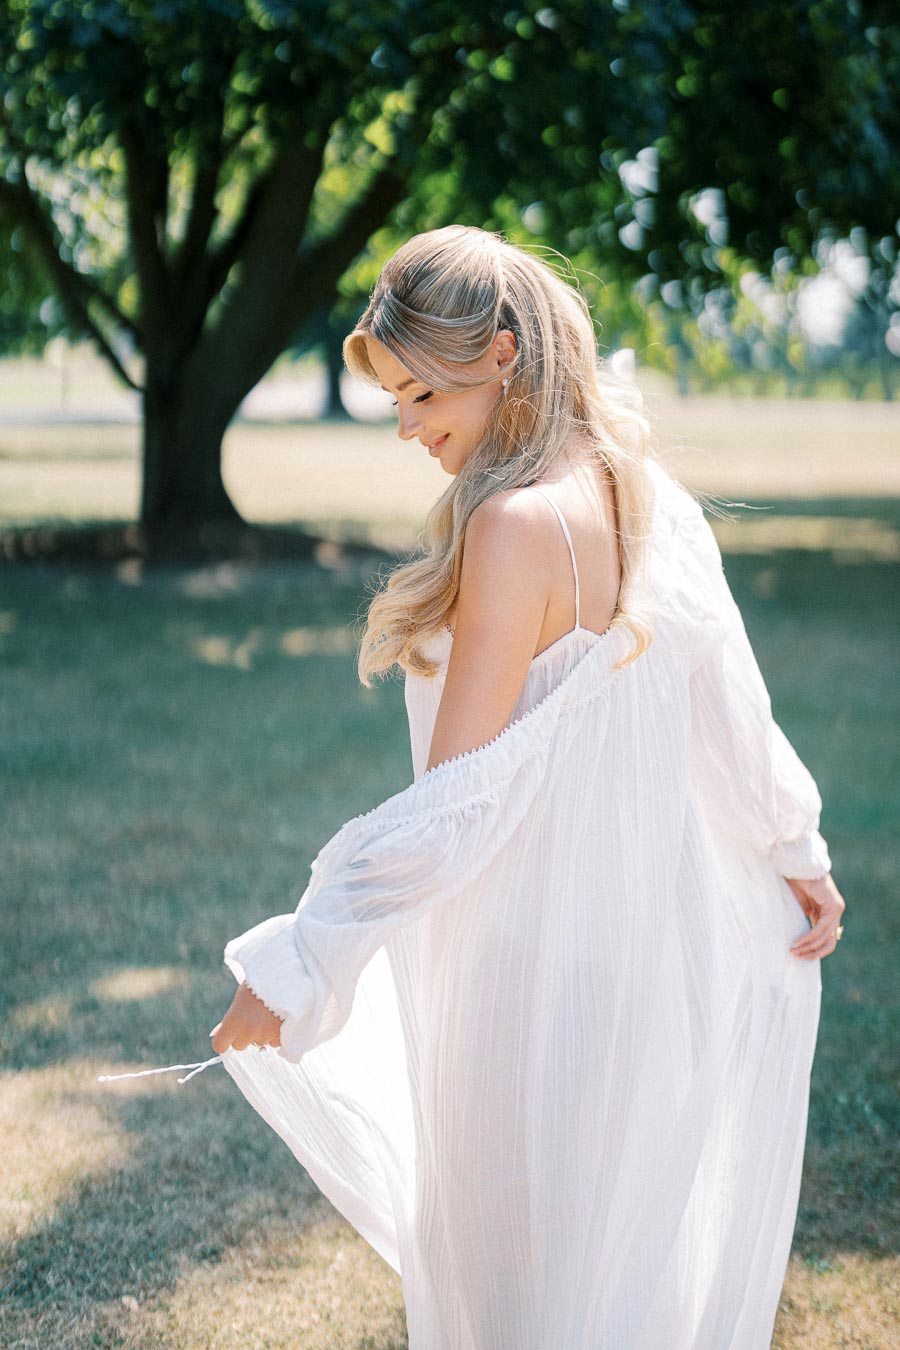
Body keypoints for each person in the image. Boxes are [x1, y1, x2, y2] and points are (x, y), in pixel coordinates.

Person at [208, 225, 846, 1348]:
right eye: (394, 400)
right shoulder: (641, 494)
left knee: (514, 1307)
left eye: (419, 394)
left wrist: (303, 963)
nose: (407, 427)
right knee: (598, 1289)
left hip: (516, 973)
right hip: (630, 968)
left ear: (501, 354)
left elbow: (459, 805)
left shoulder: (513, 526)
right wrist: (795, 850)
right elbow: (727, 705)